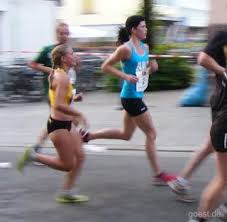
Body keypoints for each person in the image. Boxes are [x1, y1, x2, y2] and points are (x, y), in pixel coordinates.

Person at [81, 15, 176, 185]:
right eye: (142, 27)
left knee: (126, 135)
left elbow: (144, 70)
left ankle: (88, 136)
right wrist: (124, 75)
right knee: (151, 133)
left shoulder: (146, 47)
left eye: (146, 26)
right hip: (131, 98)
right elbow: (105, 66)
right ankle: (158, 174)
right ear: (133, 29)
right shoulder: (125, 49)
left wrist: (152, 68)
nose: (146, 29)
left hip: (136, 95)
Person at [17, 44, 89, 203]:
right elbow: (57, 105)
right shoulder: (61, 76)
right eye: (72, 53)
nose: (74, 55)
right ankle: (34, 156)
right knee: (67, 165)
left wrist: (74, 99)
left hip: (67, 124)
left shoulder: (60, 73)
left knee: (81, 156)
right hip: (58, 126)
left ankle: (67, 192)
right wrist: (79, 114)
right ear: (64, 58)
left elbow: (59, 98)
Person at [187, 31, 227, 222]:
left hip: (221, 110)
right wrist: (223, 71)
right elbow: (202, 58)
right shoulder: (223, 36)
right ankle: (199, 218)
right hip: (225, 116)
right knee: (223, 179)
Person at [28, 22, 82, 154]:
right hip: (53, 91)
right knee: (68, 119)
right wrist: (51, 70)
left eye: (67, 33)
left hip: (67, 91)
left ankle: (38, 148)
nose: (64, 36)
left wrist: (77, 64)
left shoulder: (69, 51)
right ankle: (68, 148)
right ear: (56, 34)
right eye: (62, 33)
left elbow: (73, 72)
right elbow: (32, 63)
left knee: (58, 120)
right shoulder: (48, 50)